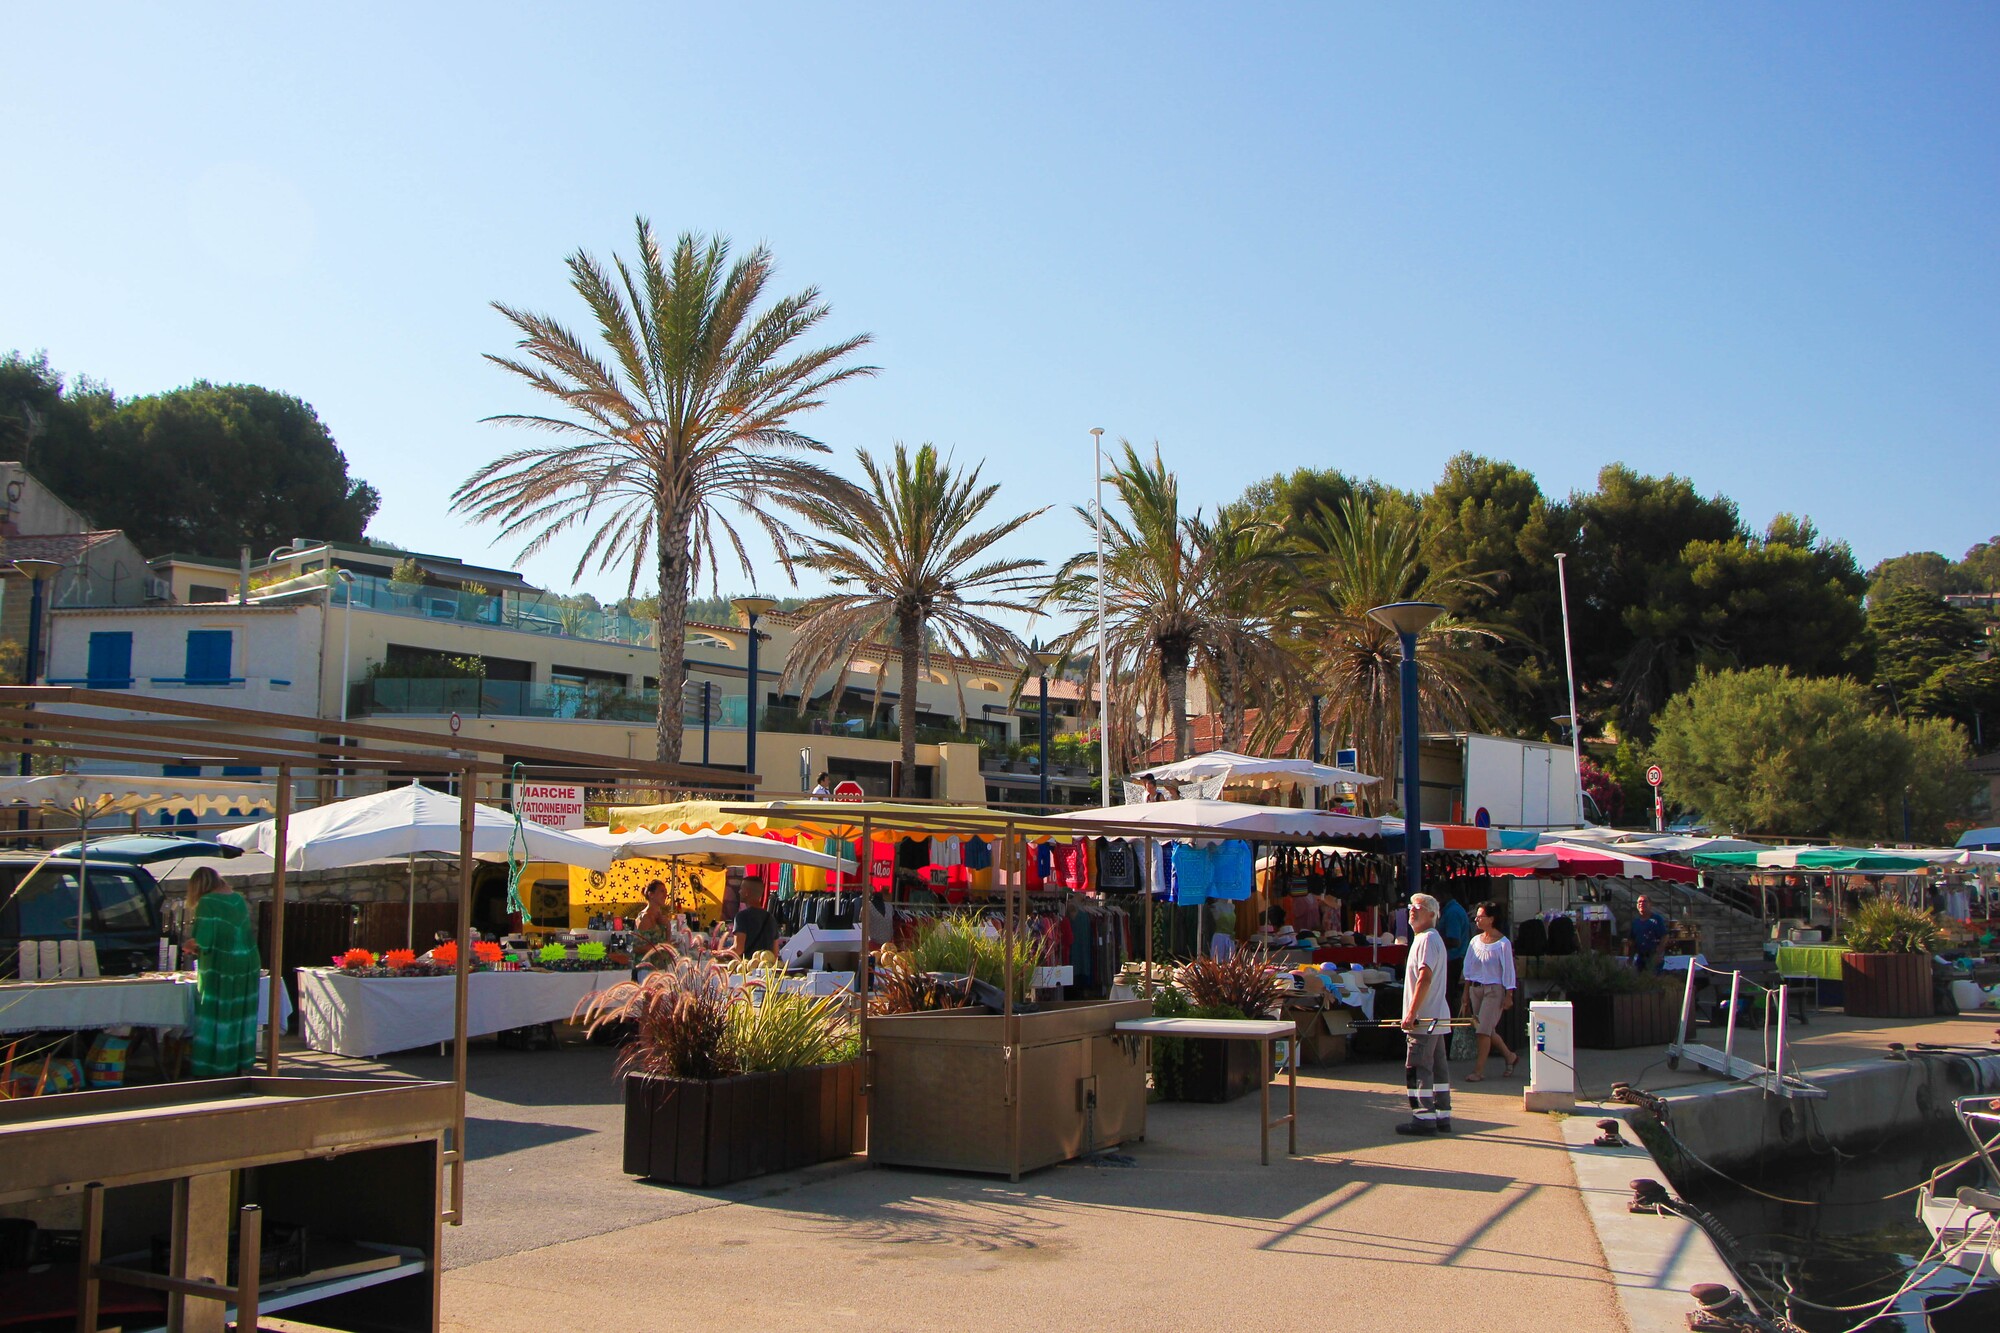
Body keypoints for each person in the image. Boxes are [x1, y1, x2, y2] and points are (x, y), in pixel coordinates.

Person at [181, 867, 261, 1078]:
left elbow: (204, 940)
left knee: (216, 1012)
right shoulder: (237, 899)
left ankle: (214, 1064)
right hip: (248, 961)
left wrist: (190, 945)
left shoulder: (207, 902)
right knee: (240, 1012)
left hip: (222, 964)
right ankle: (239, 1061)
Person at [1396, 892, 1454, 1136]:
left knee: (1418, 1065)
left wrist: (1411, 1012)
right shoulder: (1429, 938)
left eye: (1418, 907)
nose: (1412, 910)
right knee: (1438, 1066)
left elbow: (1425, 977)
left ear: (1432, 914)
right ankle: (1442, 1114)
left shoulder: (1427, 939)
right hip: (1436, 1015)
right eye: (1411, 906)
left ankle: (1423, 1116)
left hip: (1425, 1017)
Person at [1461, 901, 1519, 1081]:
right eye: (1476, 916)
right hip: (1476, 989)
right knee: (1486, 1028)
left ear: (1491, 919)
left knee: (1483, 1031)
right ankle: (1509, 1056)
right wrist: (1465, 995)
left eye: (1481, 916)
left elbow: (1509, 970)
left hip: (1494, 991)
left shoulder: (1503, 943)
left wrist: (1509, 994)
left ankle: (1478, 1071)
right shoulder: (1474, 941)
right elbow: (1468, 970)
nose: (1477, 919)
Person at [630, 879, 678, 964]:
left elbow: (666, 941)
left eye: (666, 892)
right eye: (662, 891)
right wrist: (663, 946)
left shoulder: (661, 916)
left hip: (661, 966)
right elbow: (638, 947)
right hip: (647, 967)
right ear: (651, 894)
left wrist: (668, 926)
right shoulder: (646, 917)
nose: (665, 895)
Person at [733, 883, 779, 959]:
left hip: (747, 967)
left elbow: (738, 949)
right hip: (766, 968)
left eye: (741, 889)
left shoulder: (741, 916)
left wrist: (721, 953)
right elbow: (775, 952)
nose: (739, 891)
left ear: (747, 892)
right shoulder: (771, 918)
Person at [1628, 894, 1669, 973]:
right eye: (1639, 902)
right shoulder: (1635, 922)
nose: (1641, 904)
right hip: (1640, 957)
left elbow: (1664, 936)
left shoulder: (1657, 919)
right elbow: (1632, 941)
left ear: (1650, 904)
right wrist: (1631, 958)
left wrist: (1659, 954)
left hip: (1653, 956)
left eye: (1644, 901)